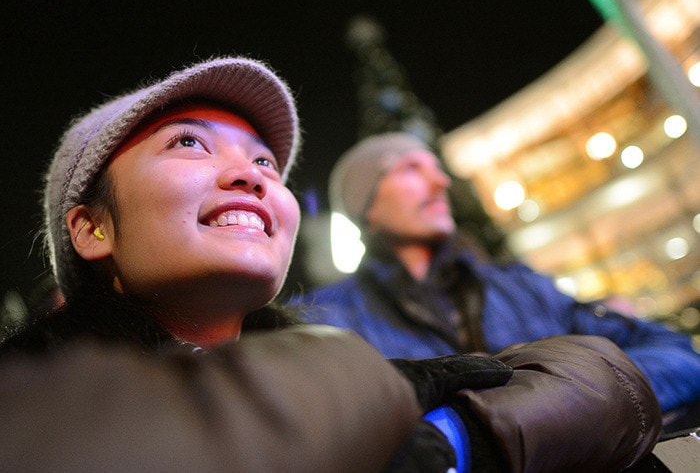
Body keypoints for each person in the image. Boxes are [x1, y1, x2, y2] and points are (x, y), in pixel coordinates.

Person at [0, 58, 660, 473]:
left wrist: (461, 435)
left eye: (264, 162)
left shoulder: (346, 356)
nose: (250, 176)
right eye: (189, 143)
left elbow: (614, 379)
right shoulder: (34, 409)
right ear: (91, 227)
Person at [293, 131, 700, 427]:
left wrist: (557, 401)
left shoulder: (521, 285)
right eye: (410, 169)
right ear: (367, 208)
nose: (441, 183)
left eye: (437, 169)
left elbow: (679, 356)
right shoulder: (323, 320)